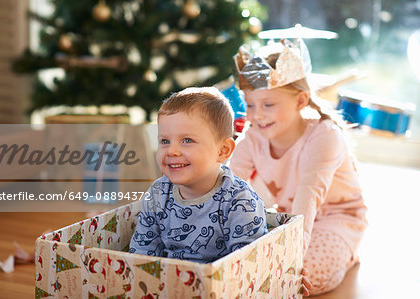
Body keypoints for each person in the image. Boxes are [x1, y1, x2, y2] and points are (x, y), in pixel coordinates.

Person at [229, 39, 367, 295]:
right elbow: (226, 186)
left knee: (300, 274)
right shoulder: (253, 136)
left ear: (301, 100)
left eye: (268, 104)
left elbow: (307, 200)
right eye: (250, 104)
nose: (257, 115)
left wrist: (290, 261)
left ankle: (347, 253)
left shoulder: (325, 136)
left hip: (335, 220)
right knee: (242, 258)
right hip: (290, 218)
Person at [129, 87, 268, 263]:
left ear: (223, 151)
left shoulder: (240, 201)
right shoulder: (157, 193)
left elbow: (248, 265)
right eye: (164, 141)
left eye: (187, 140)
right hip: (164, 284)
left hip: (221, 286)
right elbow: (142, 253)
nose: (171, 150)